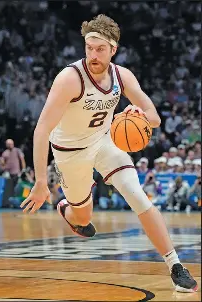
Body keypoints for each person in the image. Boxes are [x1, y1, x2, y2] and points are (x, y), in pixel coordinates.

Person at [20, 15, 197, 293]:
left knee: (137, 195)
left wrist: (136, 113)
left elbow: (154, 118)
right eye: (89, 48)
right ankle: (68, 209)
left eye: (100, 49)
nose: (93, 54)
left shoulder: (122, 76)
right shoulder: (69, 78)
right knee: (83, 219)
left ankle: (175, 265)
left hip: (105, 142)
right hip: (70, 153)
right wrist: (41, 182)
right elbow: (41, 130)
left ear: (113, 49)